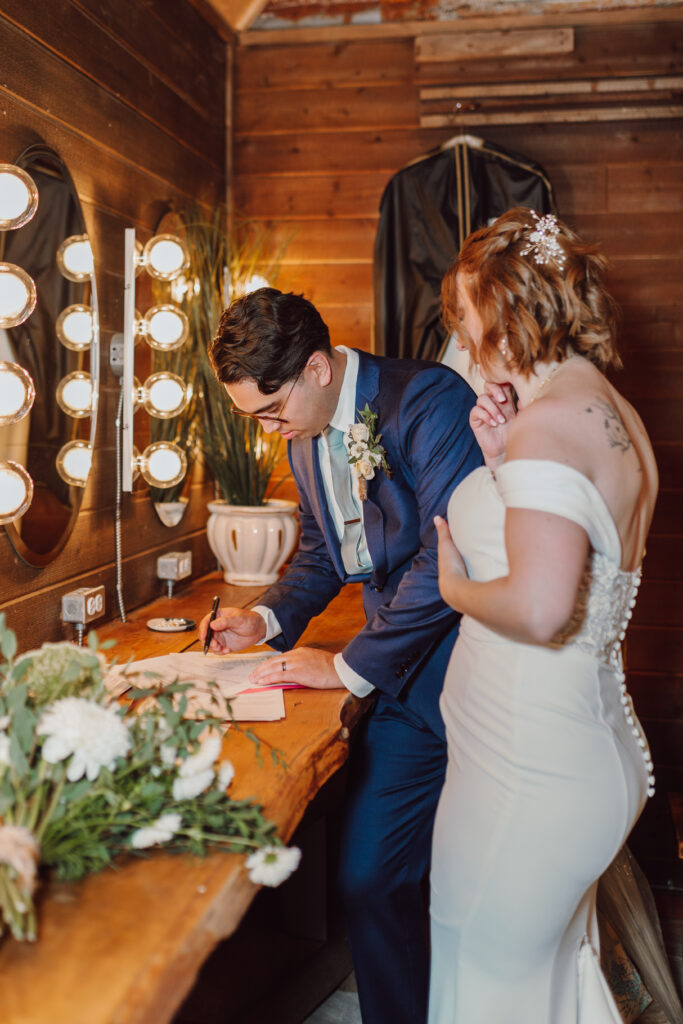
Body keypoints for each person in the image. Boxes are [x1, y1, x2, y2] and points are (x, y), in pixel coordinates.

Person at [199, 288, 482, 1024]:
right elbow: (327, 552)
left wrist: (346, 666)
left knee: (477, 890)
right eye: (253, 418)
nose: (268, 431)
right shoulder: (302, 429)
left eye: (270, 411)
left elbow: (447, 557)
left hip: (470, 674)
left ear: (318, 369)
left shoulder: (427, 399)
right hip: (395, 684)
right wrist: (263, 619)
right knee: (368, 879)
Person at [428, 207, 658, 1023]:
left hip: (530, 770)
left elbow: (539, 606)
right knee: (546, 982)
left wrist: (452, 586)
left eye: (465, 314)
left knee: (483, 980)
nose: (462, 334)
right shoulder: (610, 413)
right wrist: (502, 462)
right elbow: (570, 542)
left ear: (505, 311)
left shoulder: (547, 427)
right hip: (574, 748)